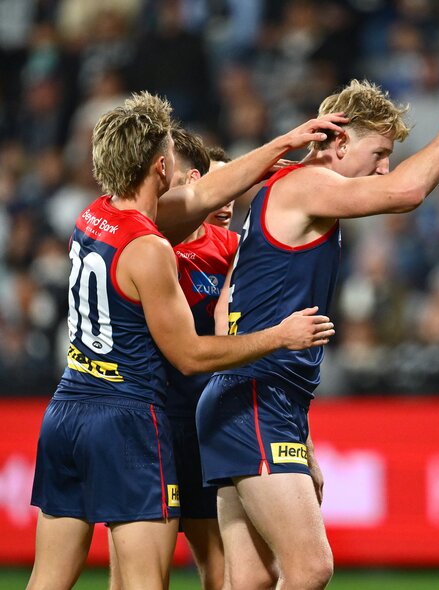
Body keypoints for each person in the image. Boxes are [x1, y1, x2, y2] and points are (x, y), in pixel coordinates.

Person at [195, 50, 439, 589]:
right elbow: (407, 191)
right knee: (310, 569)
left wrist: (296, 438)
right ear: (340, 142)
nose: (383, 168)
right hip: (259, 401)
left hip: (247, 399)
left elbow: (223, 308)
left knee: (252, 580)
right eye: (379, 153)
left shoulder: (278, 195)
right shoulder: (306, 185)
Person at [28, 92, 343, 590]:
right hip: (127, 418)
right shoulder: (149, 247)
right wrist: (278, 336)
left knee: (46, 580)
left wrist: (283, 143)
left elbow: (200, 196)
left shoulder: (94, 216)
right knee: (144, 582)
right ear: (160, 166)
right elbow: (190, 355)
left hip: (67, 410)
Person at [106, 133, 236, 590]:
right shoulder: (145, 240)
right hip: (144, 419)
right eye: (220, 190)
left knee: (220, 568)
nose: (227, 202)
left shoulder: (230, 250)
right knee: (132, 575)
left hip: (203, 424)